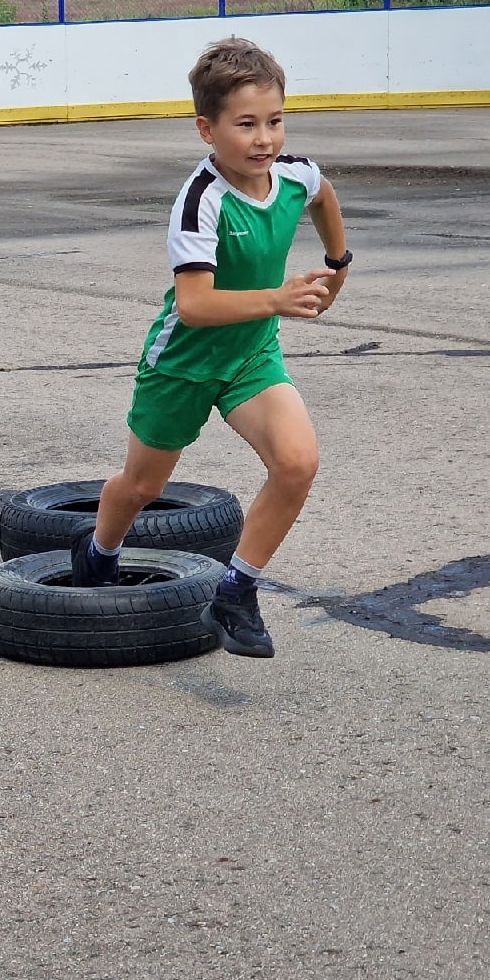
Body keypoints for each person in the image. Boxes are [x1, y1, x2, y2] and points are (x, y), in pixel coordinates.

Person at [70, 37, 350, 659]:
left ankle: (237, 589)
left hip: (251, 358)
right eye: (245, 124)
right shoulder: (202, 201)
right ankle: (98, 551)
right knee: (140, 487)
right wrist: (278, 298)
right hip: (183, 364)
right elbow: (195, 305)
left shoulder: (294, 176)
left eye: (274, 121)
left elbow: (323, 194)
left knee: (297, 463)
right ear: (207, 129)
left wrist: (338, 263)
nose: (264, 139)